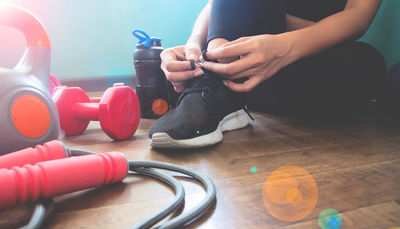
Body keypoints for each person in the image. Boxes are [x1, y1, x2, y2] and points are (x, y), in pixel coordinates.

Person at [149, 0, 386, 149]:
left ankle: (223, 84)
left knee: (367, 64)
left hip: (311, 51)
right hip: (251, 47)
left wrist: (282, 46)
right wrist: (194, 47)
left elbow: (359, 13)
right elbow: (216, 5)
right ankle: (212, 79)